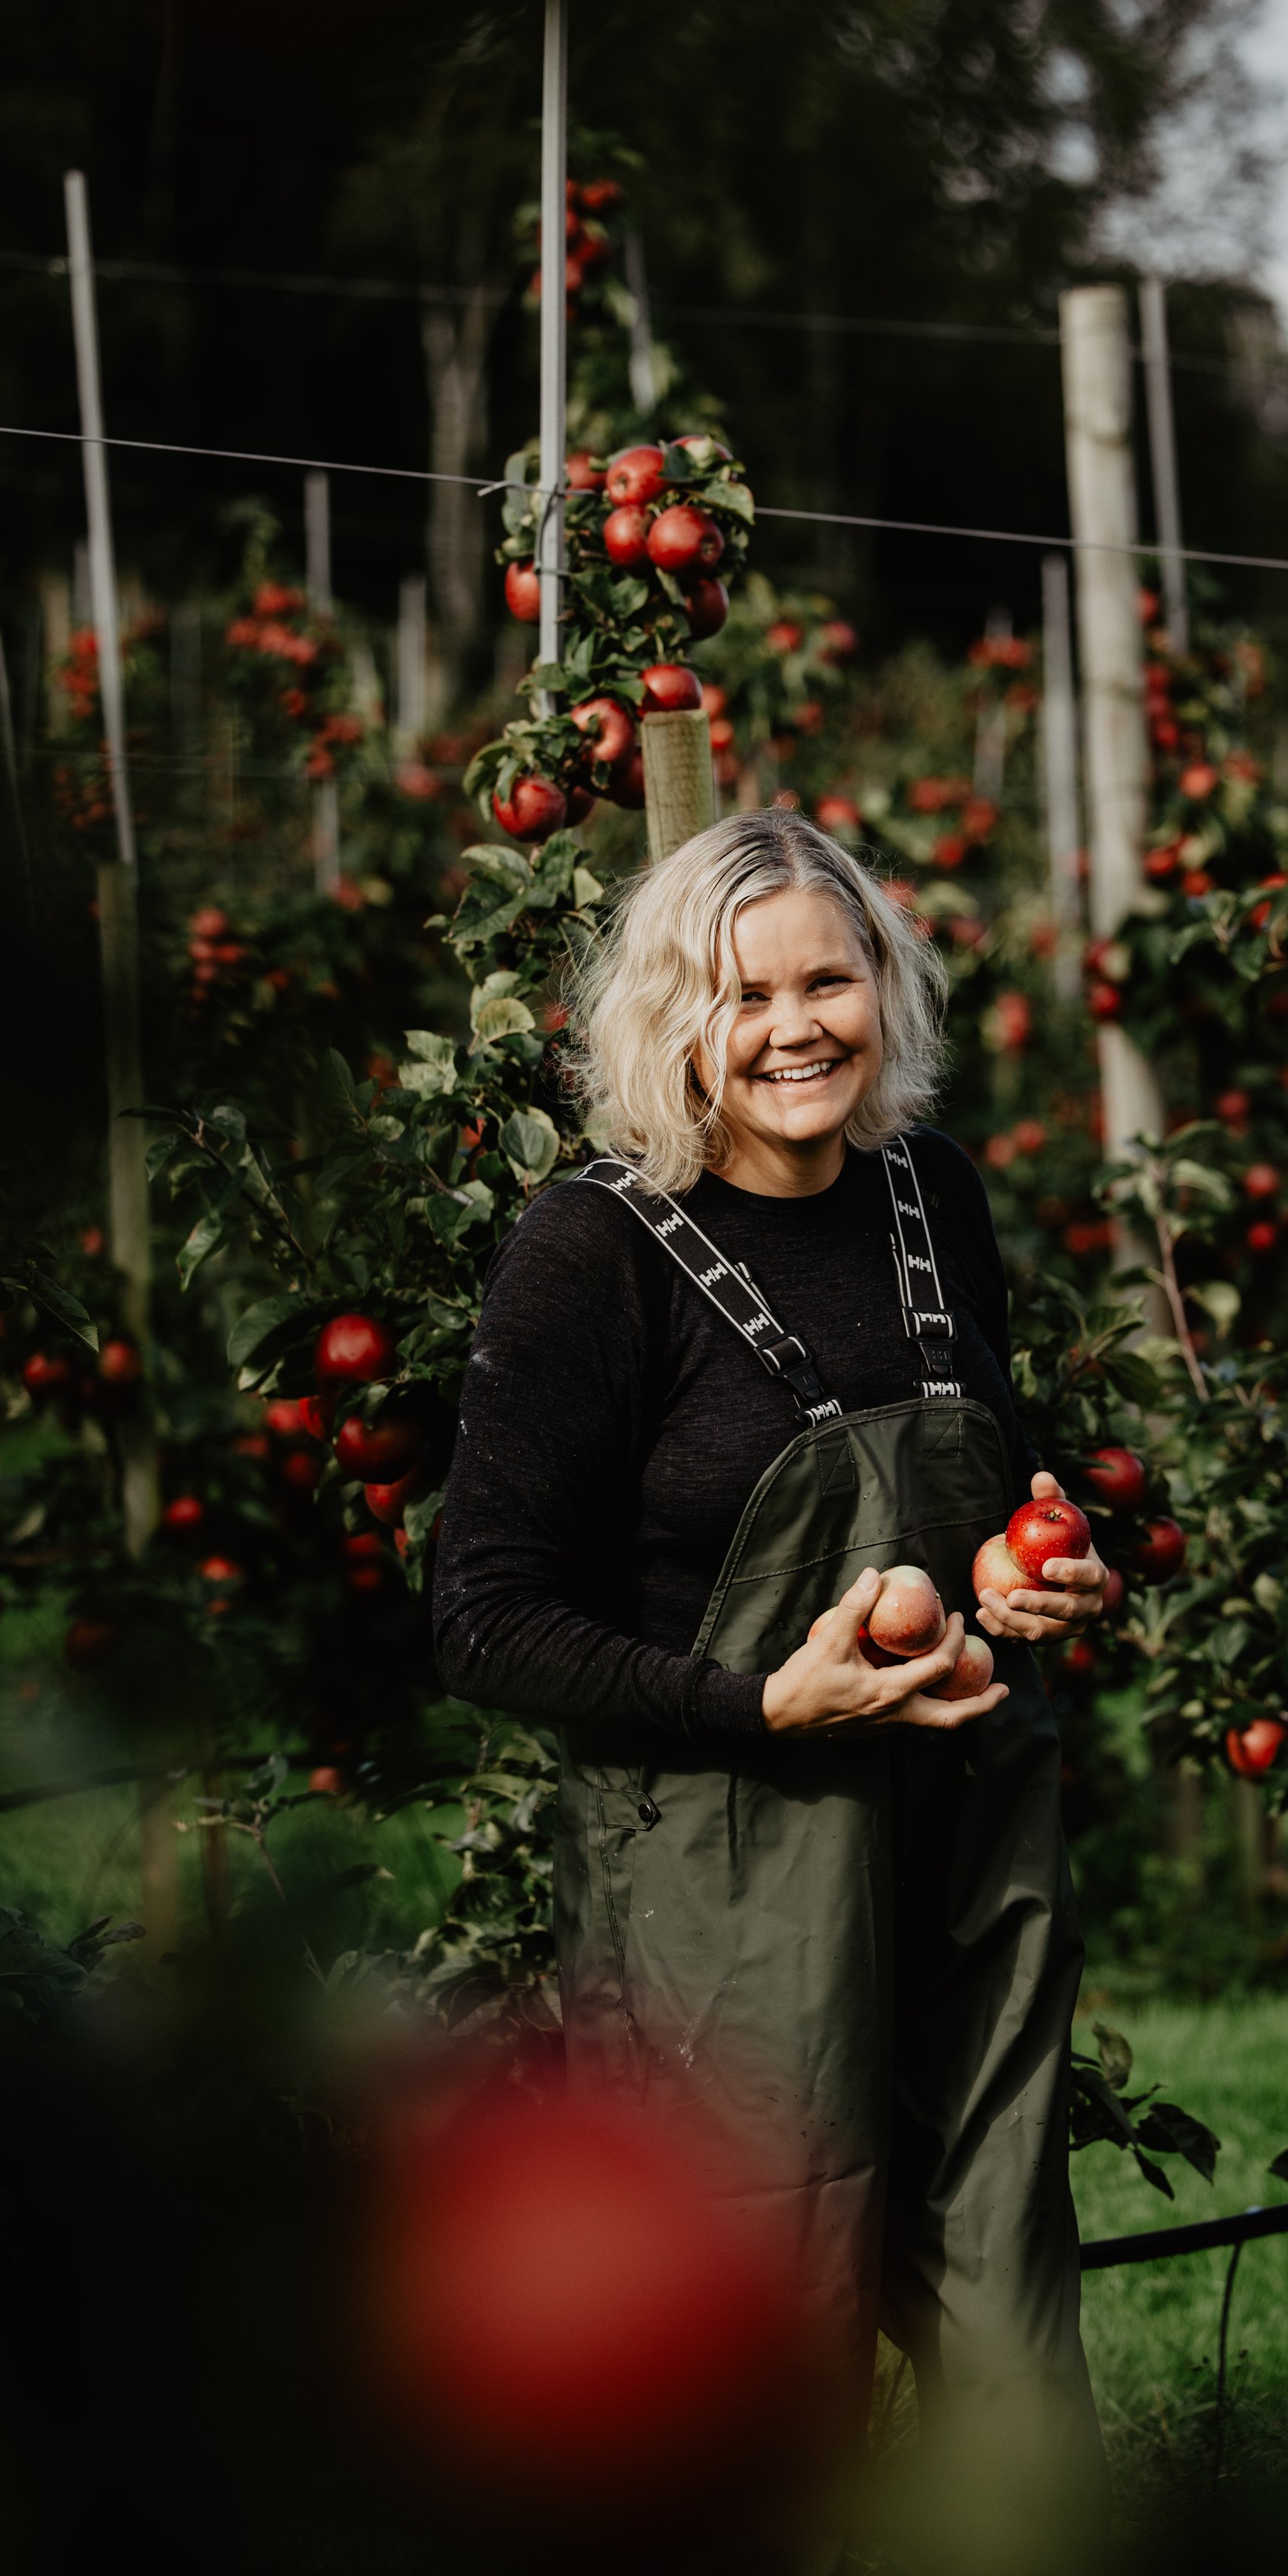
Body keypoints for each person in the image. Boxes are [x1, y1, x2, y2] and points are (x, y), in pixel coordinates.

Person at [434, 808, 1107, 2469]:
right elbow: (481, 1617)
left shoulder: (926, 1196)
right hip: (725, 1858)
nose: (794, 1025)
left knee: (1003, 2270)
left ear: (884, 986)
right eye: (742, 995)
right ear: (674, 1019)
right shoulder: (595, 1249)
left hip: (962, 1813)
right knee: (756, 2310)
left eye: (829, 978)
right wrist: (753, 1701)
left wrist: (1048, 1564)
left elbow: (996, 1480)